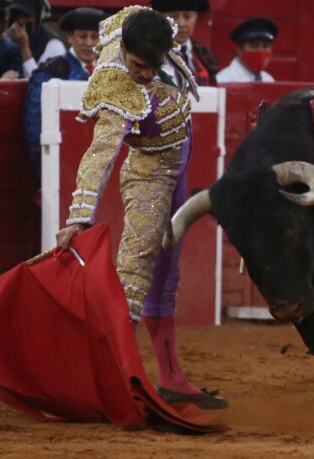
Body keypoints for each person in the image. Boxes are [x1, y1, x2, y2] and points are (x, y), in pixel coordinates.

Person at [55, 6, 228, 409]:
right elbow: (100, 153)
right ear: (126, 52)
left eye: (153, 66)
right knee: (134, 274)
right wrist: (79, 219)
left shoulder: (144, 25)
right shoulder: (115, 83)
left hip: (178, 169)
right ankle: (106, 381)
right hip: (150, 175)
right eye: (138, 65)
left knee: (166, 278)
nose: (145, 75)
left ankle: (171, 378)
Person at [23, 7, 105, 184]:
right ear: (70, 37)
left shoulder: (110, 69)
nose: (89, 43)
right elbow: (35, 127)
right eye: (83, 36)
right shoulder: (52, 70)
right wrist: (46, 172)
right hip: (63, 163)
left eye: (95, 36)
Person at [150, 0, 218, 86]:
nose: (181, 23)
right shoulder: (151, 54)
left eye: (188, 16)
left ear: (196, 17)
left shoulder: (203, 54)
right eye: (173, 17)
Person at [4, 0, 66, 78]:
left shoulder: (53, 45)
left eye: (26, 16)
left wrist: (24, 49)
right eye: (15, 15)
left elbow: (42, 84)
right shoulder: (5, 40)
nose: (20, 20)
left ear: (39, 17)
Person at [216, 17, 277, 83]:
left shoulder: (268, 80)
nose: (260, 51)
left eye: (265, 46)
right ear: (239, 49)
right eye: (253, 46)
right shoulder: (223, 80)